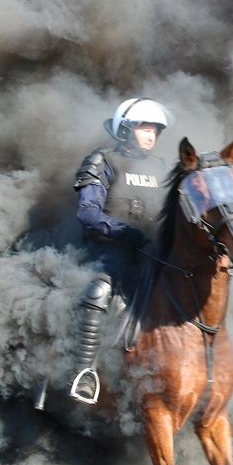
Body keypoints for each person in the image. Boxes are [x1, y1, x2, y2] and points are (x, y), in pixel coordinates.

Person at [67, 97, 172, 404]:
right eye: (143, 127)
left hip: (155, 252)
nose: (151, 134)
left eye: (155, 129)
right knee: (98, 291)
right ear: (125, 129)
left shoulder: (164, 167)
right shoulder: (103, 161)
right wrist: (127, 233)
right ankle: (85, 372)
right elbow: (88, 214)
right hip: (114, 252)